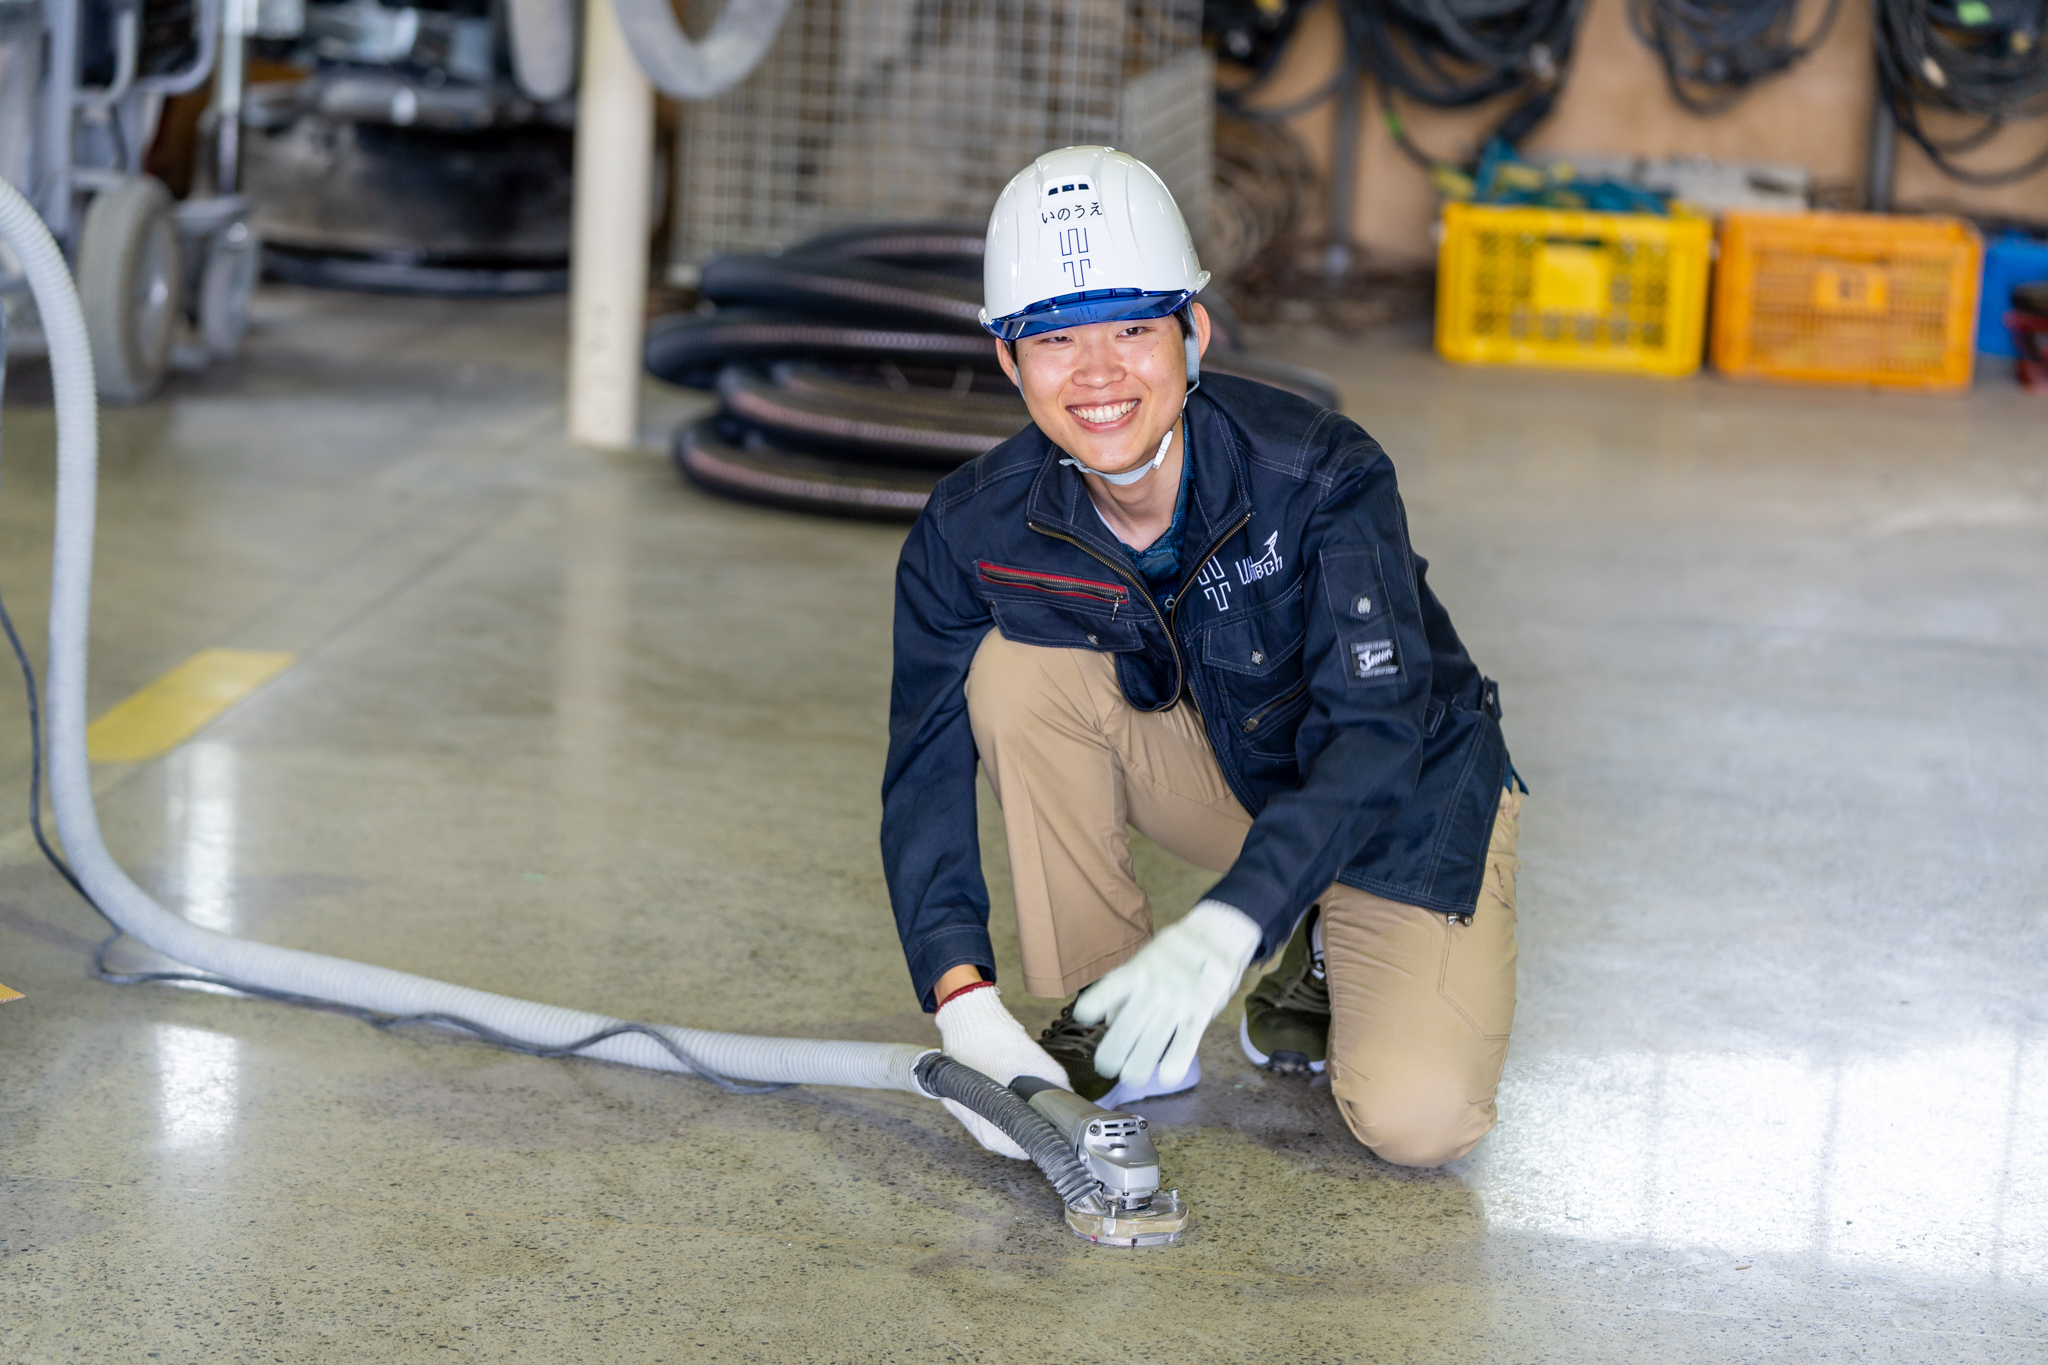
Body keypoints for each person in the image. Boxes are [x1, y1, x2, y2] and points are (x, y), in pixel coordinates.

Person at [880, 145, 1524, 1167]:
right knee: (1012, 675)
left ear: (1193, 335)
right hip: (1231, 774)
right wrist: (958, 1000)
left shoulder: (1319, 475)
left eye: (1133, 328)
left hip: (1402, 793)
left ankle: (1307, 942)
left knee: (1416, 1121)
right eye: (1053, 339)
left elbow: (1376, 732)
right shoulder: (973, 529)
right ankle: (1124, 1016)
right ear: (1008, 361)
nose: (1096, 374)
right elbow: (920, 767)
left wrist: (1226, 928)